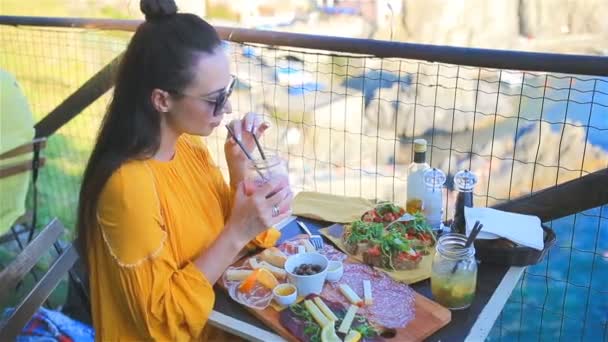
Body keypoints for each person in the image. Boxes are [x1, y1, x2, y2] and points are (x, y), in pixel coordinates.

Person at [76, 0, 293, 340]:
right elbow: (160, 322)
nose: (229, 107)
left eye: (229, 90)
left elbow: (225, 237)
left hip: (221, 321)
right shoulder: (128, 186)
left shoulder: (187, 145)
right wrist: (238, 231)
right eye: (215, 99)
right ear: (162, 100)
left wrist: (239, 169)